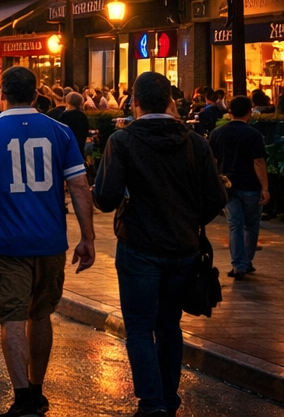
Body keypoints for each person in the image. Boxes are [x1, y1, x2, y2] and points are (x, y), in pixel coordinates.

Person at [93, 71, 228, 417]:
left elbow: (105, 198)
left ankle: (151, 402)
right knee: (169, 325)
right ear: (171, 100)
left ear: (134, 102)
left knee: (139, 326)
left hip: (138, 245)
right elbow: (215, 197)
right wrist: (189, 220)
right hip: (182, 248)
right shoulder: (194, 141)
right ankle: (168, 398)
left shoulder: (122, 142)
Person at [0, 66, 97, 417]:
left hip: (5, 241)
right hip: (50, 240)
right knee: (41, 315)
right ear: (37, 93)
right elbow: (79, 186)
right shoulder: (61, 131)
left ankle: (23, 396)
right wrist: (87, 237)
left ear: (1, 94)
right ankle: (38, 388)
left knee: (11, 317)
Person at [208, 95, 269, 279]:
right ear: (250, 111)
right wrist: (265, 188)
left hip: (227, 186)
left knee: (235, 225)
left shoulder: (217, 133)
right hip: (250, 185)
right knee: (251, 226)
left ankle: (238, 265)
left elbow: (213, 160)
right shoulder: (254, 135)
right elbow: (258, 161)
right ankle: (246, 262)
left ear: (230, 111)